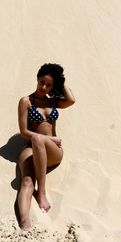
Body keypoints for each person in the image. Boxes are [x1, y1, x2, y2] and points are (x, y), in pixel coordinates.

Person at [17, 63, 75, 229]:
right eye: (42, 82)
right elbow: (24, 132)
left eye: (49, 85)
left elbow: (71, 100)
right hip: (32, 148)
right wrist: (49, 138)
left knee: (38, 140)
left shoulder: (54, 102)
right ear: (37, 78)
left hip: (53, 152)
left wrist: (59, 80)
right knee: (27, 181)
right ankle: (24, 222)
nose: (44, 87)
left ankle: (41, 192)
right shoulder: (26, 101)